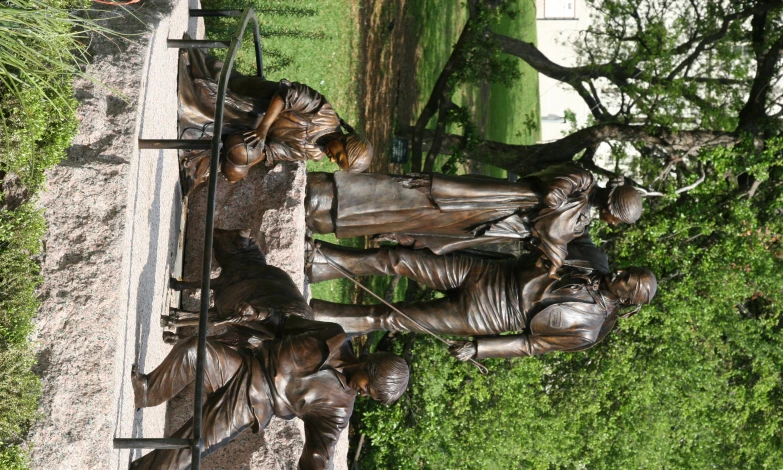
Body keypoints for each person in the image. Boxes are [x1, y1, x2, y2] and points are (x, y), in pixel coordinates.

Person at [124, 315, 409, 470]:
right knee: (194, 351)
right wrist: (255, 316)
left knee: (196, 440)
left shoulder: (339, 408)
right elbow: (282, 324)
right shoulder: (333, 335)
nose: (364, 393)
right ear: (370, 366)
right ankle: (147, 391)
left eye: (370, 395)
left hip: (254, 401)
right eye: (369, 387)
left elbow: (321, 450)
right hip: (245, 365)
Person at [308, 240, 656, 361]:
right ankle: (321, 262)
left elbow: (530, 346)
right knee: (398, 258)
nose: (620, 274)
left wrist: (479, 348)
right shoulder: (594, 260)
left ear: (628, 301)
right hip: (486, 272)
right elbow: (569, 230)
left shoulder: (587, 332)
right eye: (627, 270)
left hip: (486, 315)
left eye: (626, 281)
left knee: (391, 318)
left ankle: (316, 317)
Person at [306, 164, 642, 276]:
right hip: (488, 205)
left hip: (488, 227)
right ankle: (325, 198)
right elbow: (550, 202)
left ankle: (329, 222)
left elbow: (551, 228)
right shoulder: (582, 182)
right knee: (411, 202)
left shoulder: (583, 220)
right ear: (614, 207)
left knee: (411, 226)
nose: (613, 224)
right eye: (618, 219)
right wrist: (555, 252)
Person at [178, 47, 372, 195]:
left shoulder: (314, 152)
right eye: (338, 157)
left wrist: (245, 162)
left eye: (336, 163)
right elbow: (285, 95)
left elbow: (272, 151)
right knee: (207, 99)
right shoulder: (323, 112)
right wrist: (263, 129)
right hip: (255, 103)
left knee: (235, 158)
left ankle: (200, 143)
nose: (331, 159)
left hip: (248, 129)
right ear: (346, 141)